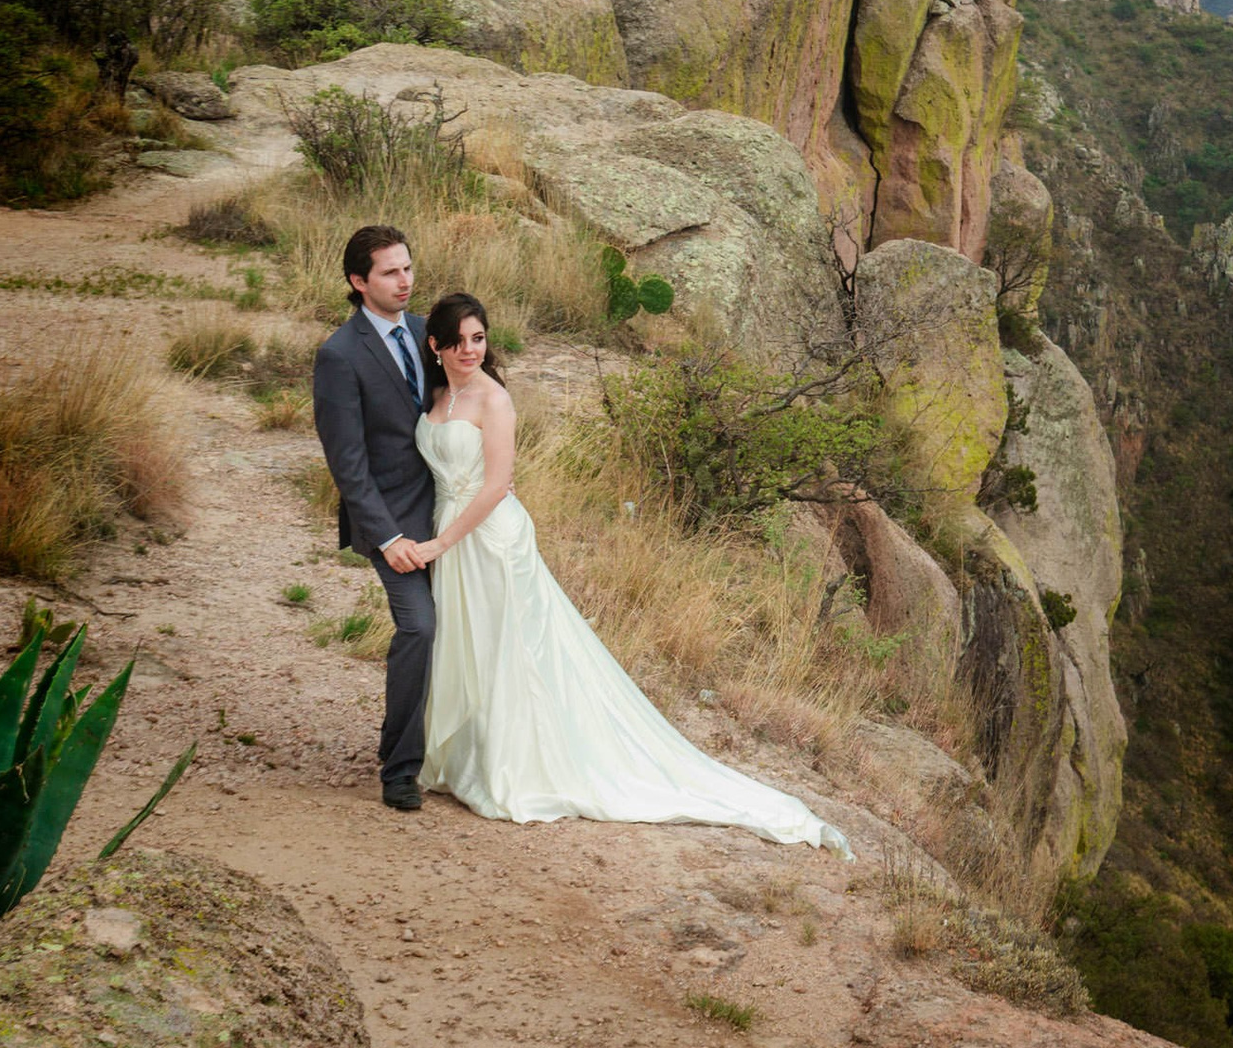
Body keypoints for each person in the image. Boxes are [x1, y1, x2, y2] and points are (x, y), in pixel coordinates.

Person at [408, 290, 850, 854]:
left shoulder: (494, 401)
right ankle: (464, 753)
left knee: (507, 647)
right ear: (436, 344)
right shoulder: (439, 395)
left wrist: (440, 542)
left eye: (480, 338)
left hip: (490, 537)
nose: (471, 349)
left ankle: (509, 766)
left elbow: (496, 486)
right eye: (460, 340)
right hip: (454, 531)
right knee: (466, 642)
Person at [310, 225, 438, 813]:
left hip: (451, 513)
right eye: (390, 272)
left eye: (407, 267)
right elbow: (348, 463)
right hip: (391, 522)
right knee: (419, 627)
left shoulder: (425, 332)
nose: (405, 280)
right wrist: (387, 538)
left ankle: (449, 748)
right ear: (359, 282)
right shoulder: (339, 355)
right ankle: (400, 769)